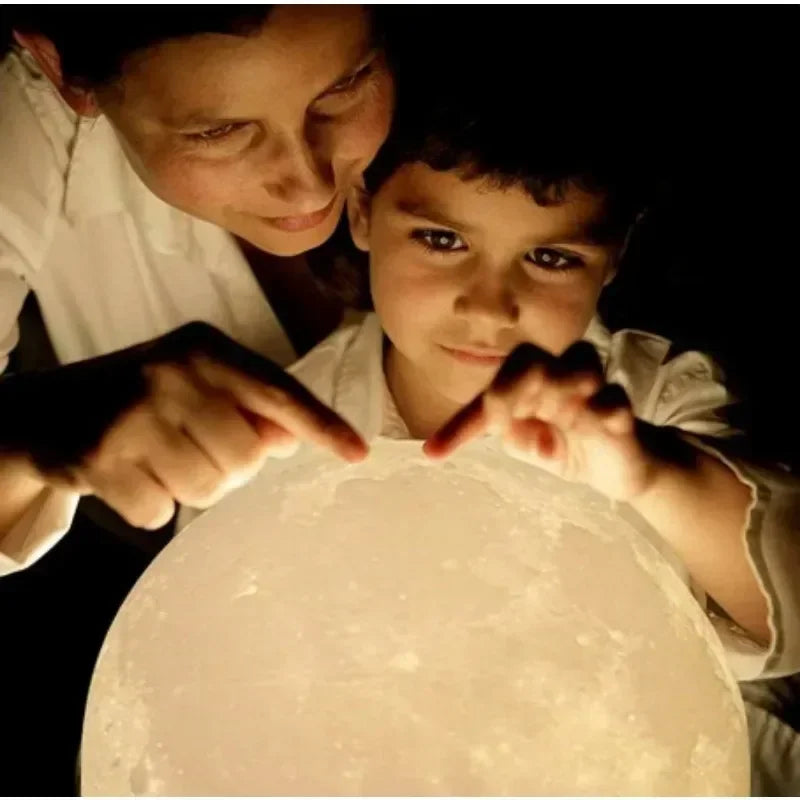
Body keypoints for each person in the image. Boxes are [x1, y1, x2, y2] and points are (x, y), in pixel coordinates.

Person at [277, 79, 800, 793]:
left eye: (550, 258)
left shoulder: (659, 401)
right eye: (441, 239)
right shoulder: (278, 441)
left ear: (614, 253)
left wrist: (647, 474)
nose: (490, 307)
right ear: (364, 211)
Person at [0, 5, 396, 574]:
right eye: (218, 131)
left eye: (347, 86)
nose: (309, 185)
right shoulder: (27, 124)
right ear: (58, 68)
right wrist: (32, 428)